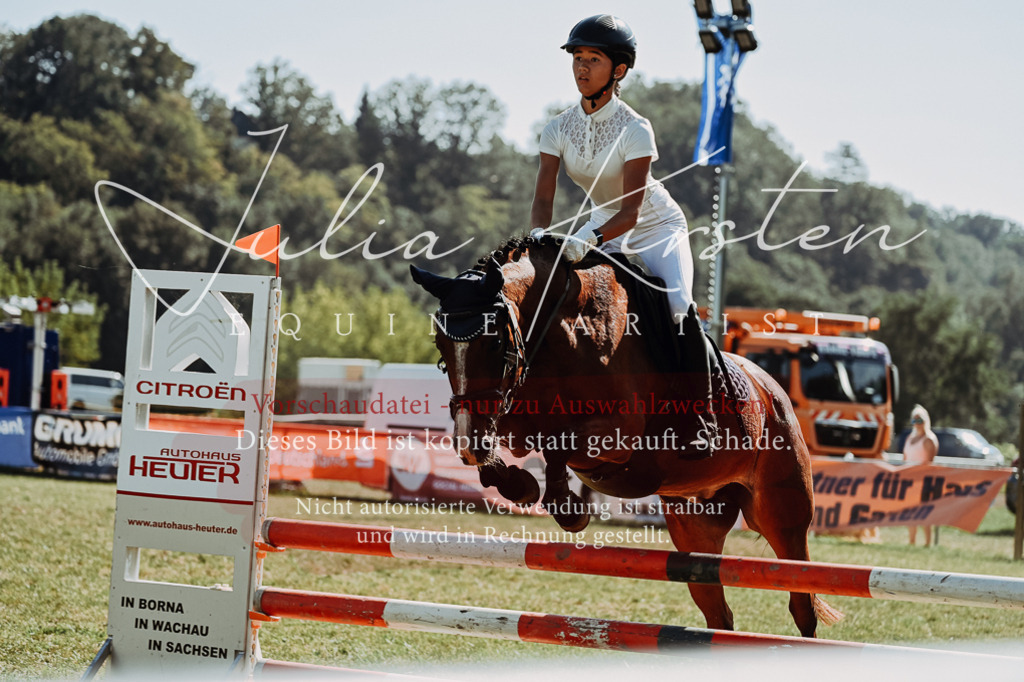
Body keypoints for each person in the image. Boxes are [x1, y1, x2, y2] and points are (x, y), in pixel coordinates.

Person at [529, 14, 717, 455]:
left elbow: (631, 210)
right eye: (577, 57)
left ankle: (703, 415)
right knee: (558, 294)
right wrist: (539, 238)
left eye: (593, 58)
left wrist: (589, 239)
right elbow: (543, 199)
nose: (581, 67)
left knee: (679, 308)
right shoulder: (557, 127)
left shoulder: (636, 128)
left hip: (654, 226)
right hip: (599, 224)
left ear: (618, 70)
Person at [903, 404, 939, 546]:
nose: (917, 424)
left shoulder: (929, 439)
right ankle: (911, 541)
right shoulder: (910, 438)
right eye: (914, 421)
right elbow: (905, 459)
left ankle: (927, 543)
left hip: (923, 481)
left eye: (920, 420)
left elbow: (929, 462)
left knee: (924, 513)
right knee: (910, 513)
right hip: (909, 481)